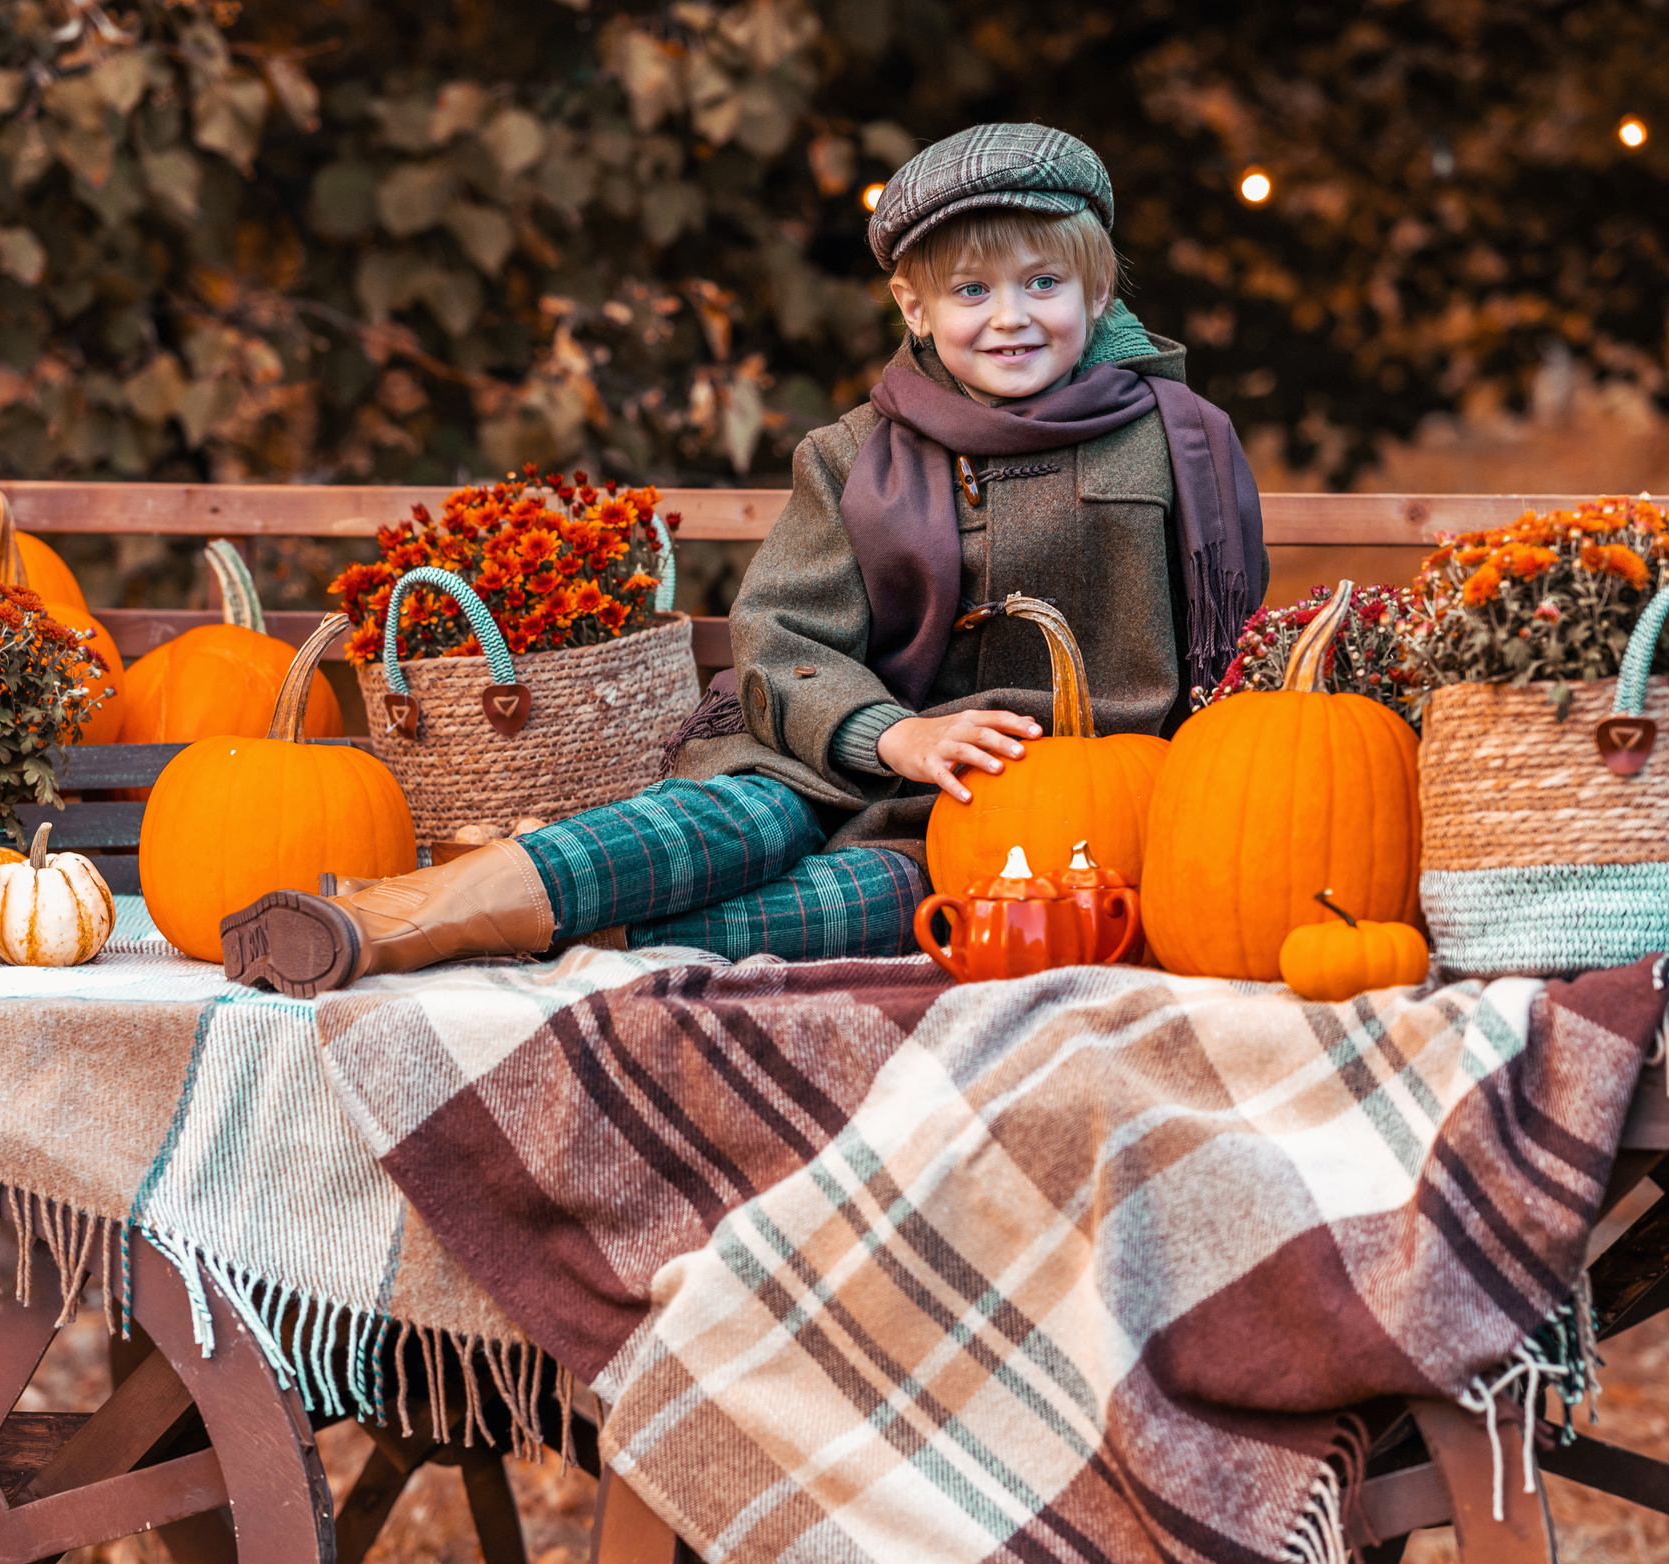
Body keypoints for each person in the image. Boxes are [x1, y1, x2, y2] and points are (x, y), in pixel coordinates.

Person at [220, 123, 1267, 997]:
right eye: (970, 292)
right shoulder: (856, 454)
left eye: (1042, 282)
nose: (1009, 317)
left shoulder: (1171, 442)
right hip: (823, 754)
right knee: (721, 824)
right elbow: (781, 637)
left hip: (1008, 828)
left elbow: (1220, 653)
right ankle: (385, 921)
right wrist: (888, 735)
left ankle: (473, 933)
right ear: (915, 309)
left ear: (1093, 290)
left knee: (838, 908)